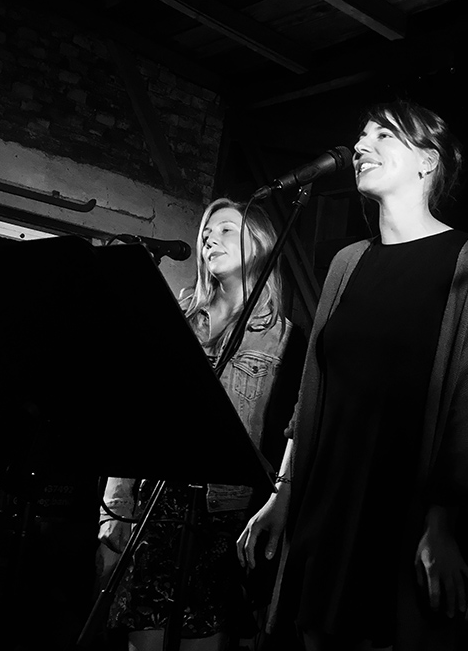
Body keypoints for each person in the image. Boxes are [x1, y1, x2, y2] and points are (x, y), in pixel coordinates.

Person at [236, 99, 468, 651]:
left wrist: (441, 523)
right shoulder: (347, 262)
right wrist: (283, 493)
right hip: (326, 502)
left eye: (384, 135)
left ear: (428, 161)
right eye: (362, 137)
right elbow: (310, 393)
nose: (362, 146)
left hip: (397, 512)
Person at [98, 198, 301, 651]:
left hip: (226, 514)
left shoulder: (285, 338)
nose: (211, 239)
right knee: (143, 641)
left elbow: (290, 433)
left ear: (261, 243)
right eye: (207, 233)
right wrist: (115, 505)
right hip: (157, 504)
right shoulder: (176, 317)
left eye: (226, 229)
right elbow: (136, 413)